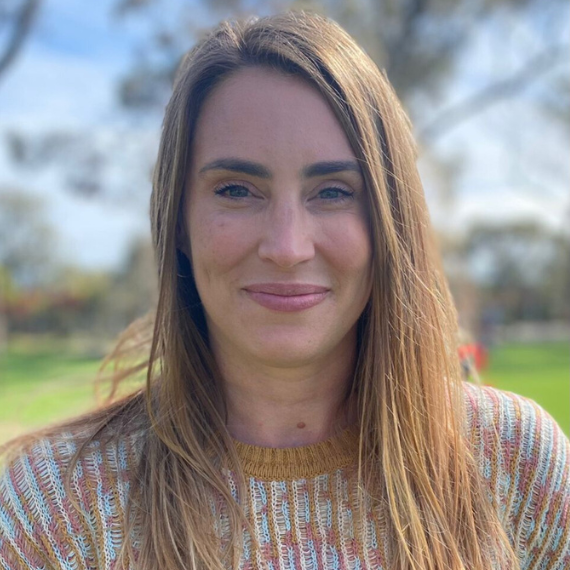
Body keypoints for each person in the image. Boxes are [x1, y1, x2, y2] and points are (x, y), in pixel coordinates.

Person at [0, 11, 568, 570]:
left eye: (333, 192)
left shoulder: (515, 462)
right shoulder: (53, 510)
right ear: (178, 221)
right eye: (237, 190)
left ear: (390, 219)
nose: (288, 246)